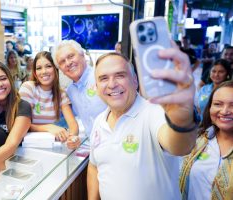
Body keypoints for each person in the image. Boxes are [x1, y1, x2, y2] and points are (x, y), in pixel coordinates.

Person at [88, 50, 198, 199]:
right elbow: (95, 166)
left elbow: (180, 147)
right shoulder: (100, 121)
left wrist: (182, 119)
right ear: (96, 86)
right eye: (103, 78)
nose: (112, 84)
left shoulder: (154, 113)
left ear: (135, 80)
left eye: (120, 75)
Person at [180, 80, 233, 200]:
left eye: (232, 105)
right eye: (218, 104)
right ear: (209, 107)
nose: (224, 111)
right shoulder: (198, 139)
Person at [19, 51, 80, 149]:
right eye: (39, 68)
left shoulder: (61, 94)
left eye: (48, 66)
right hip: (26, 146)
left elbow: (73, 124)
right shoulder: (28, 88)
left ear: (55, 69)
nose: (44, 71)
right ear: (35, 72)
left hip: (49, 145)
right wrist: (48, 127)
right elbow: (20, 125)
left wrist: (72, 138)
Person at [52, 40, 107, 135]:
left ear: (82, 55)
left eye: (71, 56)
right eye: (62, 61)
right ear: (61, 69)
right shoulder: (70, 91)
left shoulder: (101, 76)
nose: (68, 63)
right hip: (93, 144)